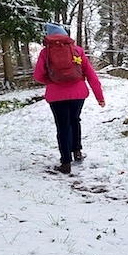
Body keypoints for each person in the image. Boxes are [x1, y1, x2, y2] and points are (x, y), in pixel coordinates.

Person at [33, 23, 105, 174]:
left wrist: (50, 81)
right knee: (75, 120)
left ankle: (66, 162)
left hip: (56, 95)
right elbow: (91, 74)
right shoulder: (77, 50)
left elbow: (38, 76)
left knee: (62, 126)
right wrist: (100, 97)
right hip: (78, 93)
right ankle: (77, 151)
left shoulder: (45, 53)